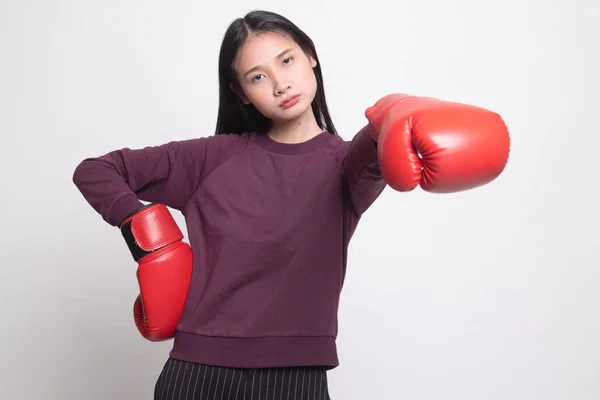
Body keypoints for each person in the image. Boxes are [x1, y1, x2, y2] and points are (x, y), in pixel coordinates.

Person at [72, 9, 510, 400]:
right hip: (196, 374)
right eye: (258, 76)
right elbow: (96, 170)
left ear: (310, 57)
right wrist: (145, 231)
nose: (281, 83)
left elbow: (380, 140)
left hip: (295, 380)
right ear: (241, 92)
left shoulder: (345, 164)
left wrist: (401, 112)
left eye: (287, 61)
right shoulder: (212, 158)